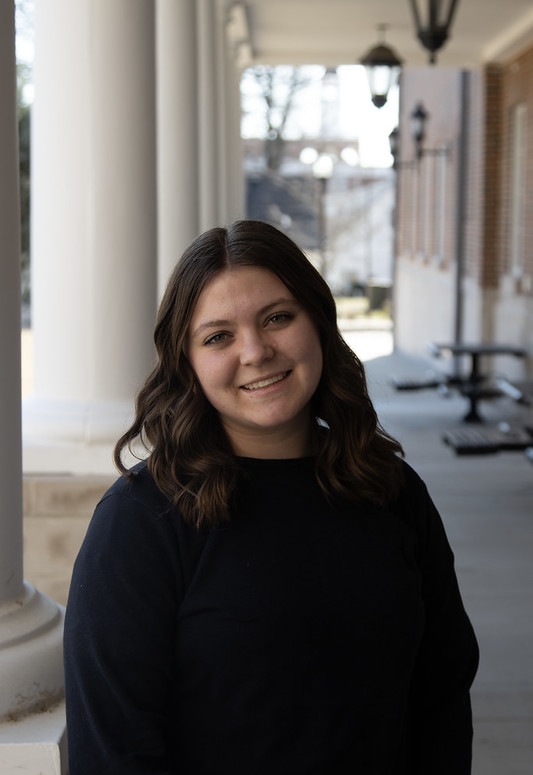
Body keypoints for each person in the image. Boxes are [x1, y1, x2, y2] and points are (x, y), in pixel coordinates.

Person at [63, 219, 479, 775]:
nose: (256, 351)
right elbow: (114, 746)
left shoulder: (391, 490)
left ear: (318, 323)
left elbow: (443, 691)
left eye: (278, 318)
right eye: (218, 337)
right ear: (187, 362)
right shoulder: (143, 519)